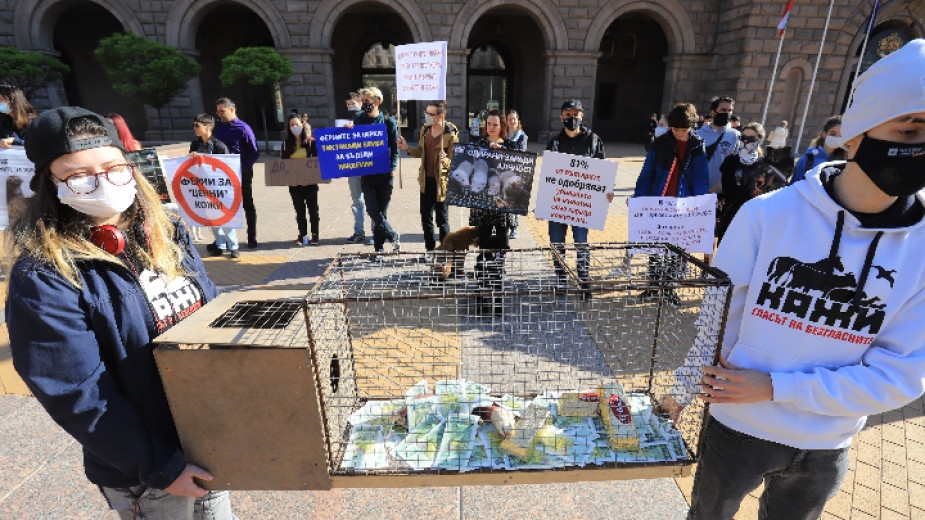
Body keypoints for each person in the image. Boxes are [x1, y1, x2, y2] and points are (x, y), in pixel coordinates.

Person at [672, 39, 925, 520]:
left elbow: (902, 375)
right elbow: (715, 320)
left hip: (825, 440)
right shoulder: (766, 216)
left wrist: (775, 387)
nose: (918, 149)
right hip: (737, 423)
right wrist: (683, 390)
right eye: (909, 128)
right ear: (854, 134)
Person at [6, 106, 234, 520]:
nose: (102, 182)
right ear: (50, 185)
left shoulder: (166, 231)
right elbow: (75, 389)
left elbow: (209, 309)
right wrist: (161, 466)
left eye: (113, 167)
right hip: (147, 472)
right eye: (79, 176)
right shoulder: (43, 275)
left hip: (202, 443)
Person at [632, 102, 710, 305]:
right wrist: (639, 198)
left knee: (679, 249)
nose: (680, 133)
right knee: (656, 247)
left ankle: (670, 288)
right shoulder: (660, 143)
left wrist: (699, 204)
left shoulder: (697, 145)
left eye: (684, 130)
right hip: (660, 202)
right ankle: (652, 285)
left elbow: (701, 178)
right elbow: (647, 173)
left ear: (691, 126)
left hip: (683, 205)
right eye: (676, 129)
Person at [545, 99, 607, 292]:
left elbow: (602, 170)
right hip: (558, 202)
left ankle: (583, 276)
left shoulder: (594, 140)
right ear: (561, 117)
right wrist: (544, 202)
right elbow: (549, 175)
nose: (572, 118)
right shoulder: (554, 142)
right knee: (556, 242)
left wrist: (606, 191)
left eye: (575, 114)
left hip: (582, 203)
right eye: (568, 115)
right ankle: (561, 277)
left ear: (582, 116)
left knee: (581, 241)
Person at [397, 101, 459, 252]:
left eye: (430, 114)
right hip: (426, 181)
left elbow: (456, 163)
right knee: (426, 219)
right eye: (426, 112)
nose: (426, 116)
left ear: (440, 116)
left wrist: (446, 160)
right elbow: (421, 152)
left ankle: (445, 251)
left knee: (442, 221)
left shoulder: (450, 135)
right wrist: (406, 148)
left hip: (441, 183)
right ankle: (430, 250)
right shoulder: (425, 130)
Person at [354, 86, 400, 258]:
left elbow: (394, 149)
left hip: (385, 173)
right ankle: (393, 234)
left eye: (367, 101)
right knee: (372, 210)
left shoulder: (388, 122)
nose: (364, 104)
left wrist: (393, 168)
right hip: (367, 173)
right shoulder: (359, 120)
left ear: (377, 102)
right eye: (363, 101)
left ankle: (379, 247)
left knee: (382, 211)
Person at [214, 97, 260, 248]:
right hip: (223, 174)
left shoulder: (243, 128)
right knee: (224, 206)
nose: (219, 114)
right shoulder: (220, 128)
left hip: (242, 172)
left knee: (247, 203)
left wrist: (242, 169)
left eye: (222, 111)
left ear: (232, 109)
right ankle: (225, 239)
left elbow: (254, 152)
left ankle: (252, 236)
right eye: (218, 111)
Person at [716, 122, 773, 244]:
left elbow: (768, 191)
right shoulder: (731, 161)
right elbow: (726, 188)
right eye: (743, 138)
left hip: (755, 218)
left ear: (759, 139)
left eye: (751, 138)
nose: (746, 141)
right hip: (731, 215)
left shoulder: (765, 165)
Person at [188, 113, 231, 250]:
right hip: (202, 187)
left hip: (218, 187)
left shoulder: (219, 146)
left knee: (224, 217)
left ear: (207, 127)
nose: (194, 128)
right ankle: (220, 243)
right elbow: (189, 166)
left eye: (197, 125)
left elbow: (228, 168)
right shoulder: (195, 144)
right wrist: (192, 157)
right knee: (210, 217)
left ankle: (232, 244)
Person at [281, 114, 320, 246]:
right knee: (299, 210)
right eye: (291, 125)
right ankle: (302, 234)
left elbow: (316, 162)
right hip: (294, 182)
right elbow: (284, 164)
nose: (294, 127)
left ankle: (315, 234)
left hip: (310, 182)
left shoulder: (311, 142)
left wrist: (308, 178)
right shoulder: (286, 144)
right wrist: (290, 179)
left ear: (302, 125)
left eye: (296, 124)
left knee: (313, 209)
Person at [343, 91, 372, 244]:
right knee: (356, 201)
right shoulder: (346, 122)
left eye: (353, 103)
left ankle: (376, 233)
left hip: (368, 166)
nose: (350, 106)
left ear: (361, 103)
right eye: (348, 104)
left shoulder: (368, 119)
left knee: (372, 201)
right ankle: (359, 231)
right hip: (353, 166)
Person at [698, 96, 740, 194]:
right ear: (713, 112)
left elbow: (736, 165)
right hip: (697, 190)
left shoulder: (735, 135)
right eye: (723, 110)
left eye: (730, 110)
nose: (727, 113)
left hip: (720, 193)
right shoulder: (698, 134)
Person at [791, 116, 843, 184]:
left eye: (841, 136)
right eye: (833, 134)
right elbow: (794, 186)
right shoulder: (807, 159)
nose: (837, 138)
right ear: (824, 134)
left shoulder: (845, 162)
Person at [505, 109, 528, 238]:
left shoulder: (522, 136)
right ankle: (503, 226)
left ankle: (513, 228)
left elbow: (522, 153)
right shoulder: (503, 135)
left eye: (514, 119)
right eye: (510, 119)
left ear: (517, 120)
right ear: (507, 121)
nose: (512, 121)